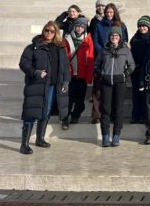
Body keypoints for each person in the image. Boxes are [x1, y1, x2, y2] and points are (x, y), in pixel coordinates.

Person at [19, 22, 70, 154]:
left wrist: (65, 82)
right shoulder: (33, 47)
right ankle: (24, 144)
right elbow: (24, 64)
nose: (49, 33)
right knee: (31, 113)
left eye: (52, 31)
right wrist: (35, 72)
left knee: (46, 112)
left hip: (53, 86)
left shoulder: (60, 48)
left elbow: (65, 67)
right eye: (46, 30)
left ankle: (40, 139)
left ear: (56, 33)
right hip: (36, 85)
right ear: (43, 31)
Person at [94, 27, 135, 147]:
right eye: (112, 36)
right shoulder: (104, 49)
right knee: (105, 109)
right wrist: (101, 73)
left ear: (120, 38)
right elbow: (96, 64)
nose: (114, 38)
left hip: (119, 82)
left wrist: (124, 74)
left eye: (116, 36)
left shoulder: (125, 50)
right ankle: (105, 136)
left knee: (118, 109)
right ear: (109, 37)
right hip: (106, 82)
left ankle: (116, 135)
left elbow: (131, 65)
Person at [91, 3, 128, 124]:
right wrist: (103, 52)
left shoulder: (121, 25)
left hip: (117, 60)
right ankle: (97, 115)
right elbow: (95, 41)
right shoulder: (99, 25)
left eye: (111, 12)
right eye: (107, 12)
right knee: (98, 89)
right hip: (102, 58)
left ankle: (112, 115)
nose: (109, 14)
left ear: (115, 13)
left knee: (113, 91)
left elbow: (124, 41)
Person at [63, 17, 94, 127]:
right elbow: (64, 58)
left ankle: (75, 115)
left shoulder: (88, 40)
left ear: (85, 28)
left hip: (82, 76)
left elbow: (90, 58)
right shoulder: (67, 39)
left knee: (80, 100)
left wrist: (89, 77)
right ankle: (65, 119)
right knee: (69, 99)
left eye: (82, 27)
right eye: (78, 26)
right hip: (70, 74)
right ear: (75, 26)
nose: (79, 28)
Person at [129, 15, 150, 124]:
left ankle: (146, 116)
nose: (142, 28)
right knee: (136, 94)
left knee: (147, 96)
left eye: (144, 26)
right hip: (137, 71)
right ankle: (135, 116)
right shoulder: (134, 39)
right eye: (140, 26)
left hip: (149, 72)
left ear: (148, 27)